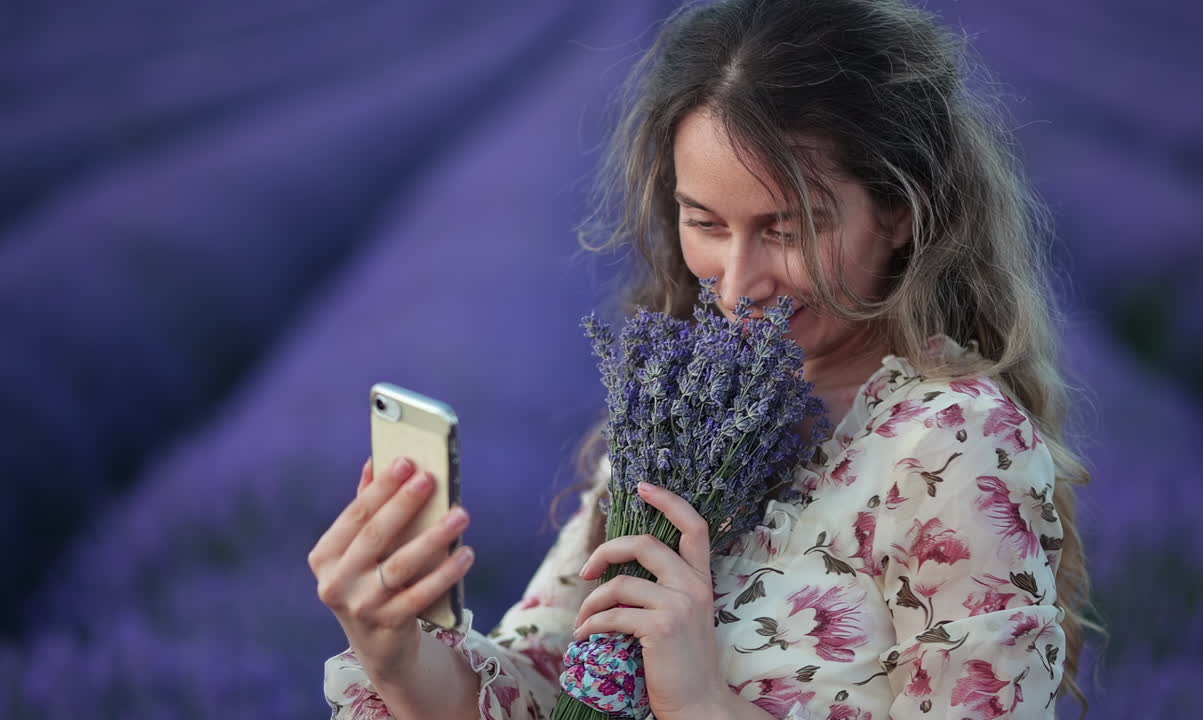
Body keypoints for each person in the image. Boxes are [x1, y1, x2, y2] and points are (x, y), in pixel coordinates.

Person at [308, 0, 1100, 717]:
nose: (740, 285)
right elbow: (546, 687)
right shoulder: (687, 410)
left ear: (898, 210)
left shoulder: (953, 446)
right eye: (706, 224)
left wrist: (700, 701)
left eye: (788, 229)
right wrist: (397, 652)